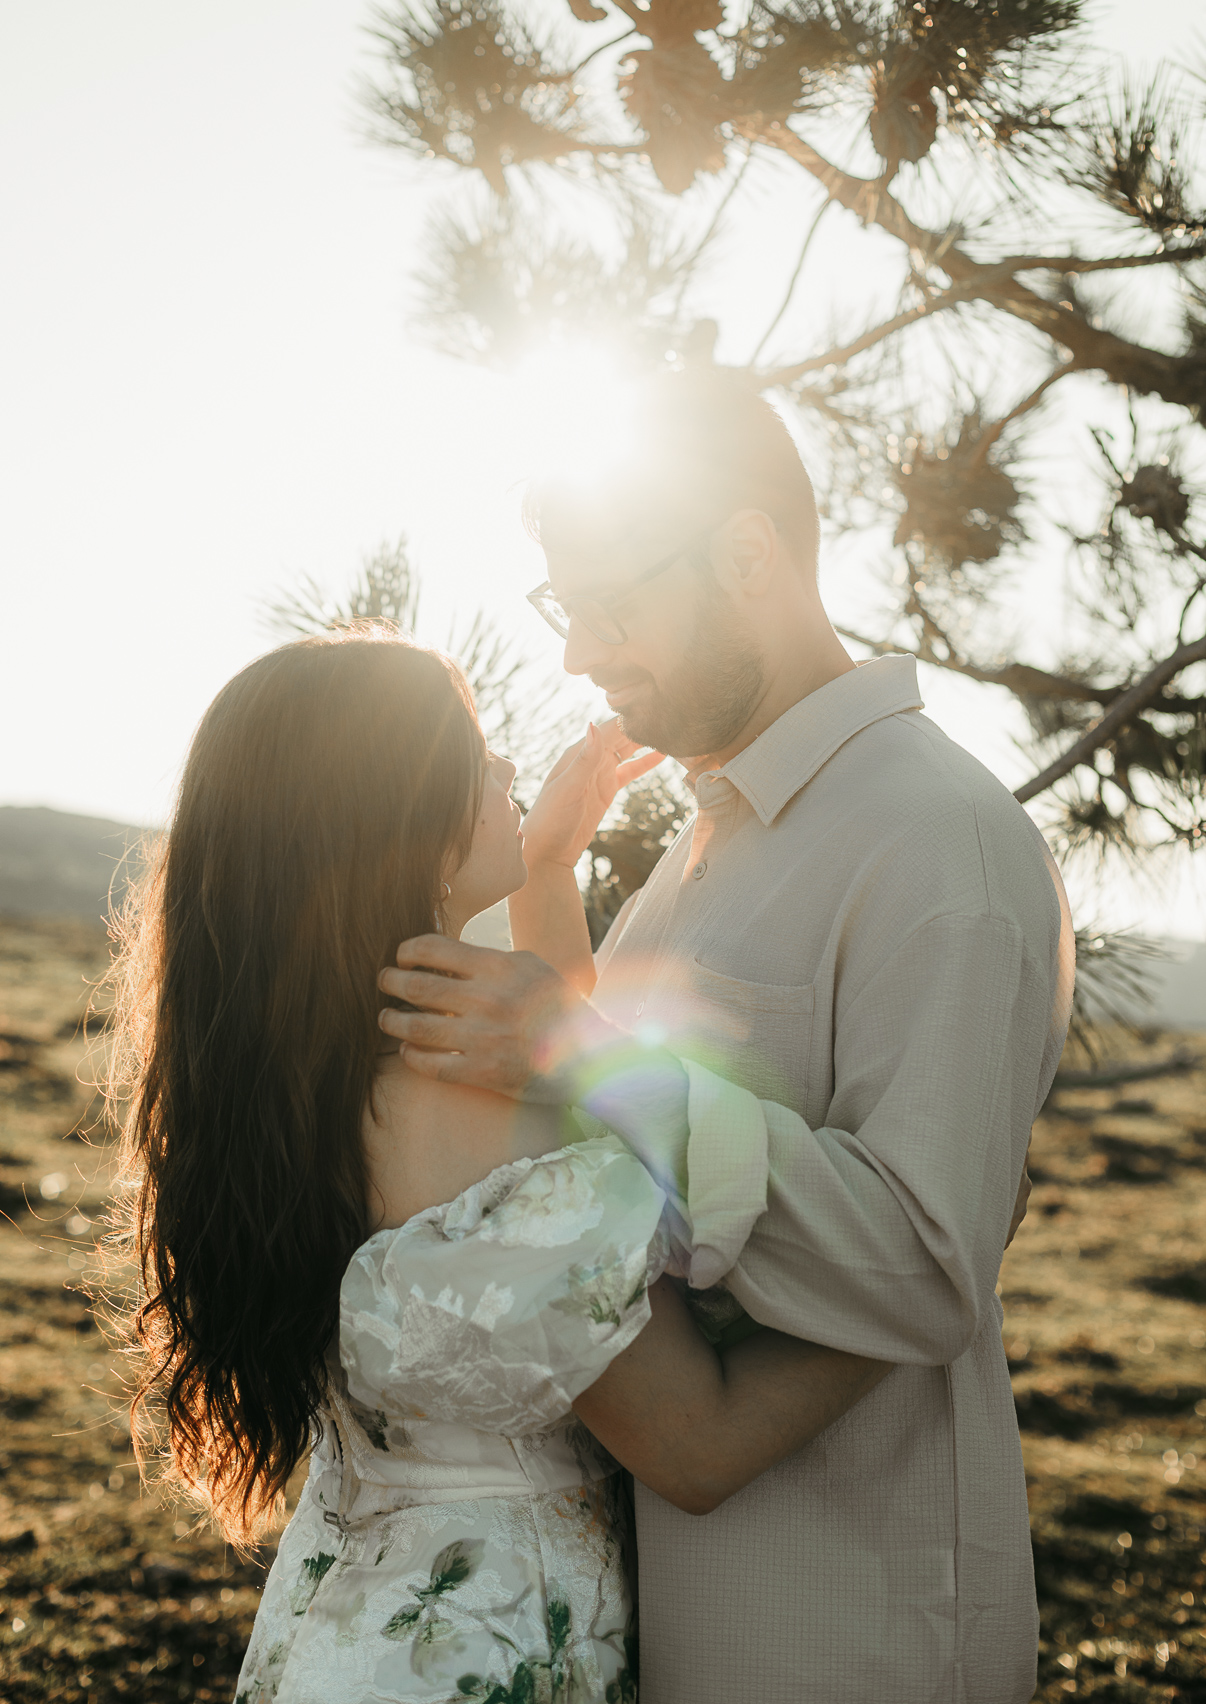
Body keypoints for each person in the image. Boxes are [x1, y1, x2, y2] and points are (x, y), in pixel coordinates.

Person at [377, 370, 1077, 1704]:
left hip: (841, 1637)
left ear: (746, 554)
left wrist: (579, 1055)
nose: (577, 650)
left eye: (607, 602)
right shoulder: (704, 851)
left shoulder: (942, 844)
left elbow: (930, 1265)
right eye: (561, 607)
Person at [108, 628, 890, 1704]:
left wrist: (550, 868)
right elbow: (699, 1443)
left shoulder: (305, 1069)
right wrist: (926, 1282)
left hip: (356, 1628)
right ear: (403, 823)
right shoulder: (462, 1094)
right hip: (488, 1640)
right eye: (476, 755)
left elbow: (546, 1082)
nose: (510, 768)